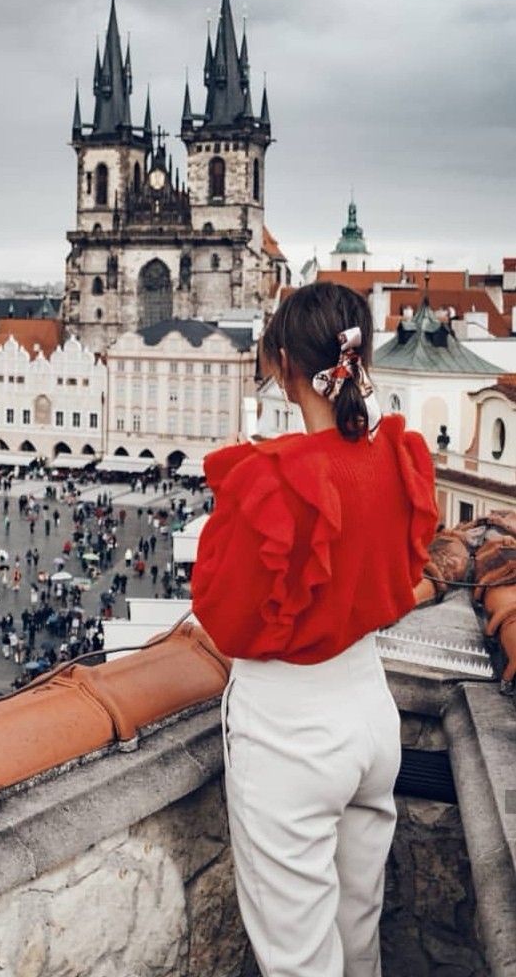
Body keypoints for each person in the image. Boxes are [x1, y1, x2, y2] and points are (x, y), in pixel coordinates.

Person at [192, 282, 437, 977]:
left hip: (291, 729)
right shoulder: (397, 454)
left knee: (298, 957)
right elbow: (401, 574)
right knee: (358, 928)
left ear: (283, 364)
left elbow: (223, 615)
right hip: (370, 711)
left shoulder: (274, 479)